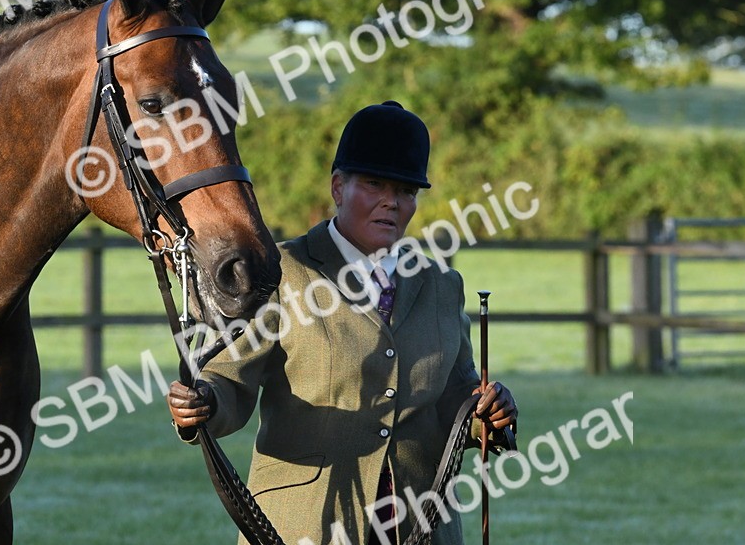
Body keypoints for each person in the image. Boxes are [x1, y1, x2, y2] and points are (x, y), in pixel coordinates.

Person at [167, 101, 517, 545]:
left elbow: (456, 398)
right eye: (374, 184)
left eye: (407, 191)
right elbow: (229, 381)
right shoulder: (283, 270)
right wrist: (202, 403)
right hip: (306, 522)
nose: (391, 201)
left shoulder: (442, 286)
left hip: (419, 525)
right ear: (338, 187)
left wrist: (490, 414)